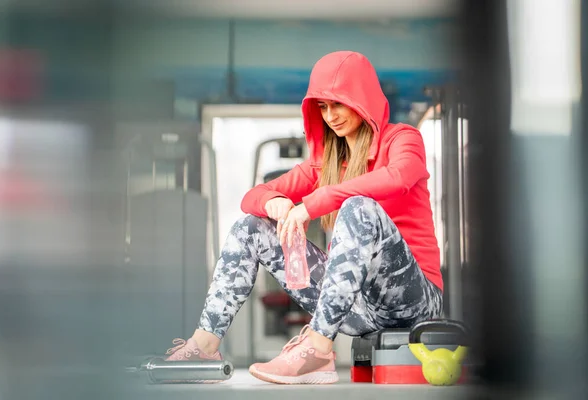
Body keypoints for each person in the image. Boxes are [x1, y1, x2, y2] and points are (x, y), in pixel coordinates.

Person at [164, 51, 443, 385]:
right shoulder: (324, 163)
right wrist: (275, 203)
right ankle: (205, 345)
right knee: (250, 227)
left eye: (338, 104)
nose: (330, 116)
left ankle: (318, 349)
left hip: (414, 301)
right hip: (358, 309)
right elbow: (250, 198)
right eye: (322, 107)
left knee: (358, 206)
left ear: (362, 99)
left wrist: (314, 203)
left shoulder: (403, 138)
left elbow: (399, 175)